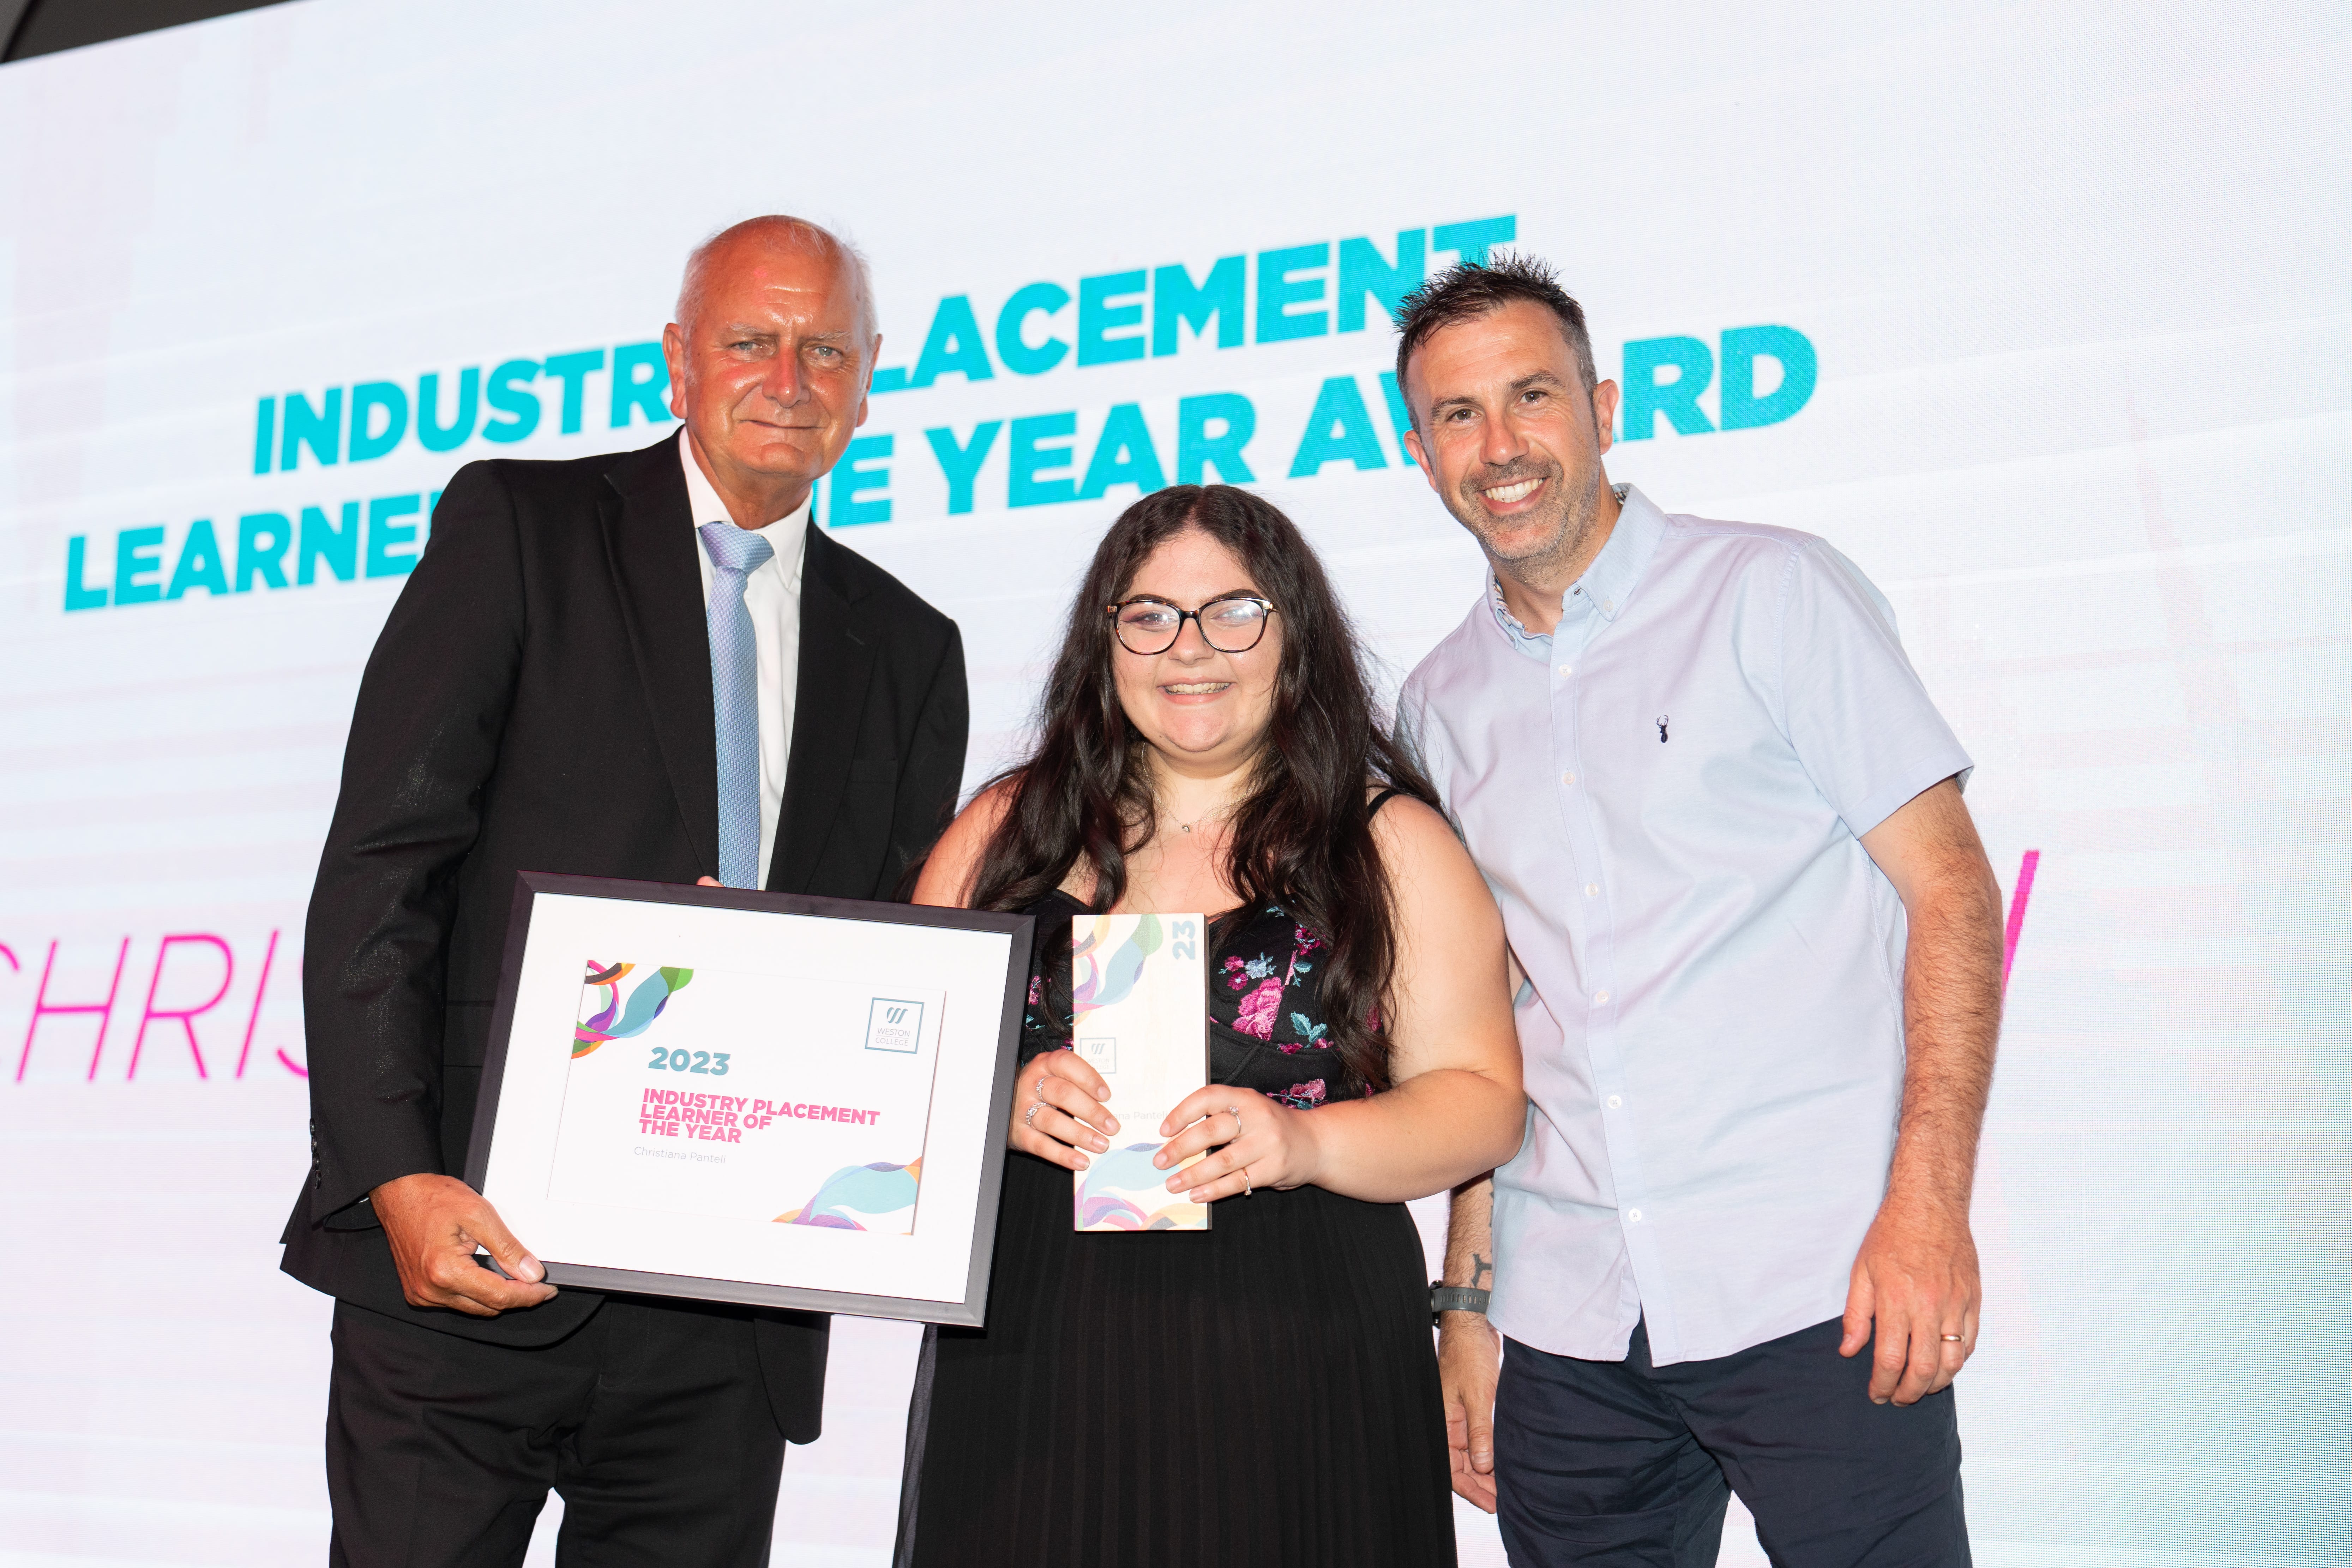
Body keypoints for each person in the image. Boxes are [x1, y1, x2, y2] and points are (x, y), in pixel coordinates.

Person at [281, 215, 969, 1568]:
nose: (789, 376)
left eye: (825, 347)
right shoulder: (520, 527)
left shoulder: (906, 646)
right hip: (467, 1259)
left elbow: (898, 960)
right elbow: (383, 865)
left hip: (725, 1324)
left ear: (872, 372)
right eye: (750, 340)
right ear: (675, 358)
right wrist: (399, 1180)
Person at [1392, 256, 2003, 1567]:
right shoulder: (1437, 707)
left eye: (1532, 396)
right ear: (1418, 448)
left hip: (1822, 1287)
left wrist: (1929, 1209)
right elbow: (1485, 1028)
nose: (1500, 447)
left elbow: (1951, 891)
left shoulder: (1771, 592)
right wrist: (1467, 1299)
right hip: (1569, 1327)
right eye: (1457, 415)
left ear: (1602, 405)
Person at [891, 484, 1526, 1568]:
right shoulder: (1005, 830)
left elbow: (1481, 1103)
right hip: (1034, 1356)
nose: (1190, 648)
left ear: (1293, 634)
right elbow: (891, 1062)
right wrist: (991, 1104)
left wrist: (1305, 1140)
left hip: (1301, 1351)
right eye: (1149, 615)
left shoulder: (1387, 841)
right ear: (1105, 641)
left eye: (1233, 612)